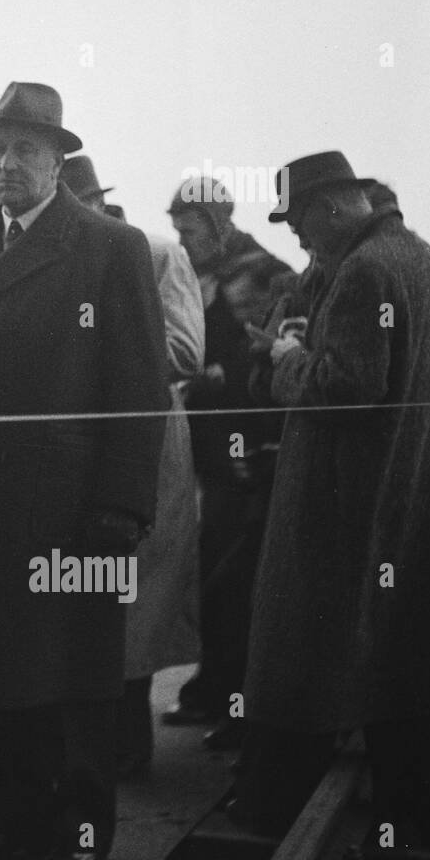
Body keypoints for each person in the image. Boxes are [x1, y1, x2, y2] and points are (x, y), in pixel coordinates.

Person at [0, 83, 167, 860]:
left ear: (59, 161)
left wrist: (124, 504)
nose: (6, 164)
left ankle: (82, 834)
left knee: (77, 678)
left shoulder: (111, 247)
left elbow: (140, 385)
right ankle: (15, 822)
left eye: (25, 149)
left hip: (77, 512)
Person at [236, 152, 430, 842]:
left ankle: (271, 806)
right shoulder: (415, 257)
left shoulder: (366, 269)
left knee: (303, 651)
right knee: (396, 659)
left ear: (330, 208)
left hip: (341, 493)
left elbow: (347, 389)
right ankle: (406, 812)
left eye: (297, 223)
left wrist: (285, 359)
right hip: (402, 487)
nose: (296, 238)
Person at [59, 155, 204, 775]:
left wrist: (96, 352)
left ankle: (127, 752)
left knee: (136, 596)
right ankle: (92, 756)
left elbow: (185, 352)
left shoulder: (156, 253)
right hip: (79, 448)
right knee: (86, 596)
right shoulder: (62, 261)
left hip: (146, 443)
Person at [165, 178, 289, 746]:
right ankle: (214, 691)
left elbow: (267, 364)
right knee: (213, 569)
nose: (182, 242)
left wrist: (217, 377)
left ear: (215, 223)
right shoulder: (202, 271)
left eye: (189, 230)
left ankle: (232, 702)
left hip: (247, 449)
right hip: (211, 445)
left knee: (232, 577)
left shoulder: (259, 275)